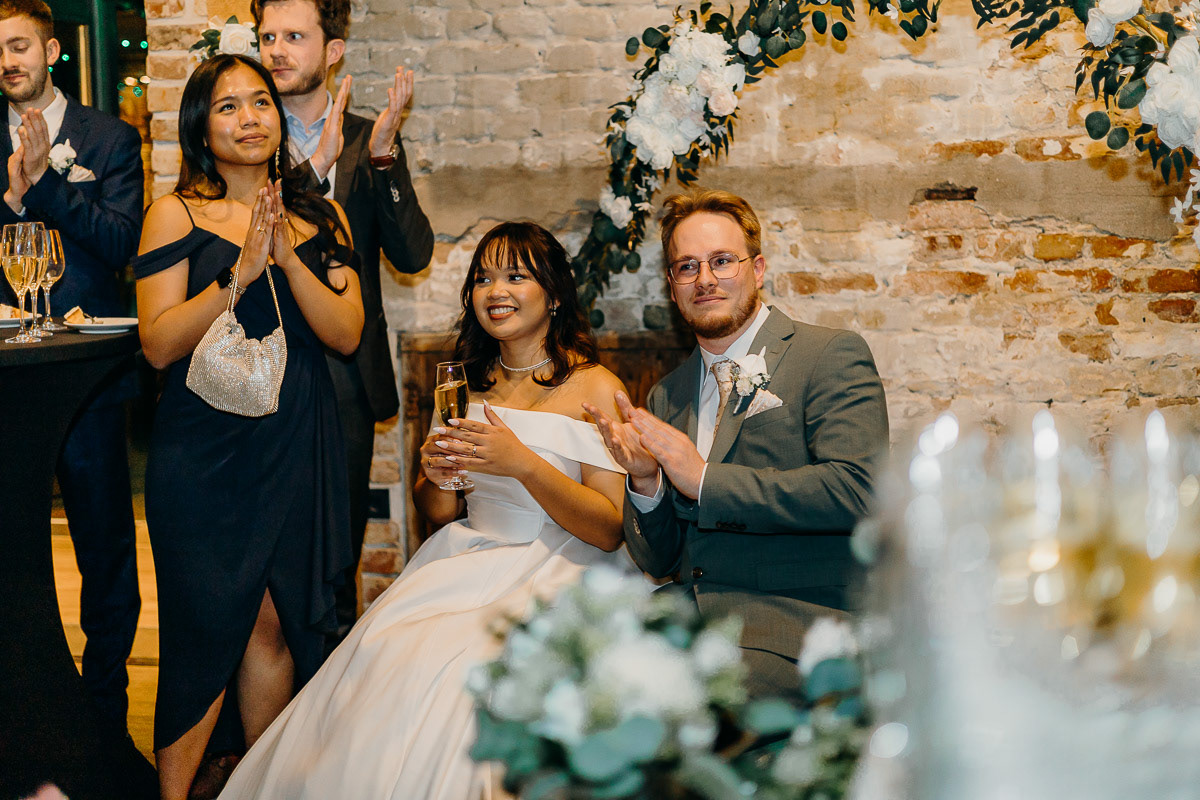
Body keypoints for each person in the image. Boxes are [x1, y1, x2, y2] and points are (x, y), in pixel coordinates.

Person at [218, 221, 635, 800]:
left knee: (468, 662)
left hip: (562, 564)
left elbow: (611, 527)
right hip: (470, 555)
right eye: (483, 279)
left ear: (555, 294)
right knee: (388, 650)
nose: (496, 292)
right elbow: (439, 509)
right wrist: (435, 476)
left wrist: (523, 465)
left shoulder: (593, 387)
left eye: (516, 276)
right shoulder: (463, 386)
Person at [132, 53, 362, 800]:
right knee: (204, 633)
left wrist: (289, 258)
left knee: (272, 623)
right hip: (204, 459)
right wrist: (240, 273)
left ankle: (257, 790)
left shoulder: (323, 214)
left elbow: (347, 333)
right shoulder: (176, 213)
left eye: (259, 102)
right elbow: (159, 342)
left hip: (296, 446)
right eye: (227, 106)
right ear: (201, 125)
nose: (248, 118)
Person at [587, 189, 890, 698]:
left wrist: (704, 479)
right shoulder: (668, 394)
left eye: (721, 261)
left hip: (796, 627)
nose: (704, 279)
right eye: (687, 267)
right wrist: (645, 481)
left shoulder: (829, 355)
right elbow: (660, 563)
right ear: (672, 286)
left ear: (758, 268)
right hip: (686, 630)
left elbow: (859, 491)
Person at [253, 0, 435, 643]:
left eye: (294, 37)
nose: (277, 49)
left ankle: (329, 713)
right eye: (268, 36)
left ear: (332, 50)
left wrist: (382, 161)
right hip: (261, 369)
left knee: (337, 560)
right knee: (261, 557)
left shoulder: (369, 137)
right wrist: (314, 171)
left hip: (343, 377)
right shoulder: (247, 135)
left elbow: (413, 254)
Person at [0, 0, 143, 736]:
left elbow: (121, 244)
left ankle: (104, 718)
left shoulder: (108, 138)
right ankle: (25, 711)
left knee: (106, 558)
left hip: (87, 382)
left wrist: (44, 185)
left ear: (51, 49)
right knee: (15, 557)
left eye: (19, 44)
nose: (8, 60)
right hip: (6, 383)